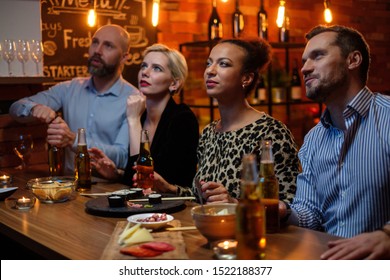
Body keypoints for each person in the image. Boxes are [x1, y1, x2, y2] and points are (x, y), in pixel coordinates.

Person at [278, 25, 390, 259]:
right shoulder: (313, 139)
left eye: (318, 56)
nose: (305, 68)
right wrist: (284, 213)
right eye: (304, 61)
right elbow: (311, 213)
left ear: (353, 60)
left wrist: (386, 236)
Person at [152, 38, 300, 203]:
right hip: (210, 227)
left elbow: (289, 203)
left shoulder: (271, 132)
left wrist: (234, 203)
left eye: (223, 64)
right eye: (208, 63)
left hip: (249, 229)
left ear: (247, 78)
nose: (210, 71)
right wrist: (169, 189)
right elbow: (202, 198)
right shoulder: (209, 132)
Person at [9, 24, 139, 175]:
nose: (97, 50)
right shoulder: (69, 88)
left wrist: (74, 140)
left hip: (109, 189)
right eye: (95, 42)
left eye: (108, 46)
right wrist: (34, 108)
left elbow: (123, 157)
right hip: (71, 187)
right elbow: (15, 108)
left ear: (124, 57)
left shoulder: (134, 100)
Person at [89, 43, 199, 189]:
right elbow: (134, 177)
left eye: (156, 68)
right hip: (144, 207)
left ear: (174, 83)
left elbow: (148, 181)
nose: (145, 72)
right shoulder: (141, 115)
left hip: (176, 208)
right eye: (144, 66)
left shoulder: (183, 119)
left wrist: (133, 121)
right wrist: (116, 174)